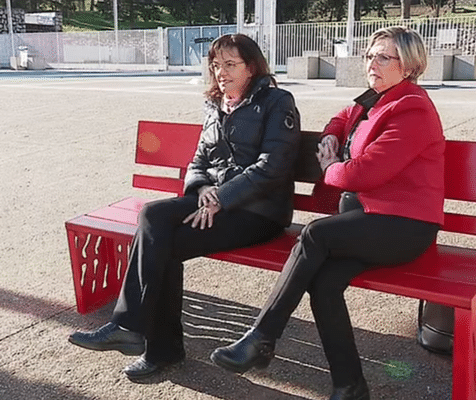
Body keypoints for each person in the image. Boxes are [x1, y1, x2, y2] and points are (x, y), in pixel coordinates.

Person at [210, 26, 445, 400]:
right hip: (367, 223)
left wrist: (330, 166)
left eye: (384, 57)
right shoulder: (375, 98)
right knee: (324, 282)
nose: (372, 63)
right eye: (369, 55)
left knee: (315, 233)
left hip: (404, 227)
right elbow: (341, 116)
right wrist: (334, 134)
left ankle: (262, 337)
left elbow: (366, 173)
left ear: (410, 66)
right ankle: (349, 386)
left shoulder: (412, 107)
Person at [68, 33, 301, 380]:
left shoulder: (276, 101)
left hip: (259, 212)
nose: (221, 73)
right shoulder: (215, 104)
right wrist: (204, 188)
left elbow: (272, 167)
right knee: (154, 219)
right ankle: (136, 334)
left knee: (160, 243)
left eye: (231, 65)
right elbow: (198, 162)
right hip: (213, 201)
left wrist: (222, 198)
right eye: (216, 65)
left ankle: (151, 345)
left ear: (251, 67)